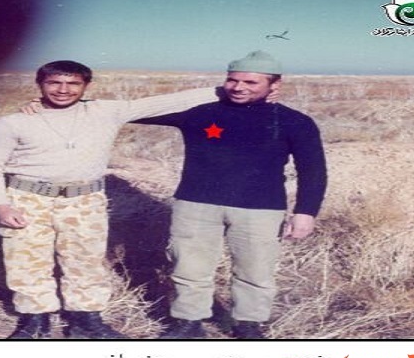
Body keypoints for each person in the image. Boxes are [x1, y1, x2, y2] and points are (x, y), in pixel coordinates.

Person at [0, 60, 220, 339]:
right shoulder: (13, 122)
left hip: (85, 201)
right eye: (54, 82)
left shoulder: (105, 111)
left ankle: (86, 322)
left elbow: (166, 102)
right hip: (29, 199)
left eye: (73, 83)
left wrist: (228, 89)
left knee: (85, 261)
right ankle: (35, 322)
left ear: (86, 85)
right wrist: (0, 205)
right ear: (40, 84)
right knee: (27, 262)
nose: (63, 90)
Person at [132, 51, 328, 339]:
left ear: (275, 85)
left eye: (250, 82)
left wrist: (306, 212)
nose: (238, 87)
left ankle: (248, 324)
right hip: (196, 204)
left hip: (260, 209)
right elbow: (137, 112)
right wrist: (65, 105)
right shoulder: (200, 113)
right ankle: (189, 322)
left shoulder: (295, 121)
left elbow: (313, 170)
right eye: (232, 80)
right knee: (189, 268)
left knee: (255, 271)